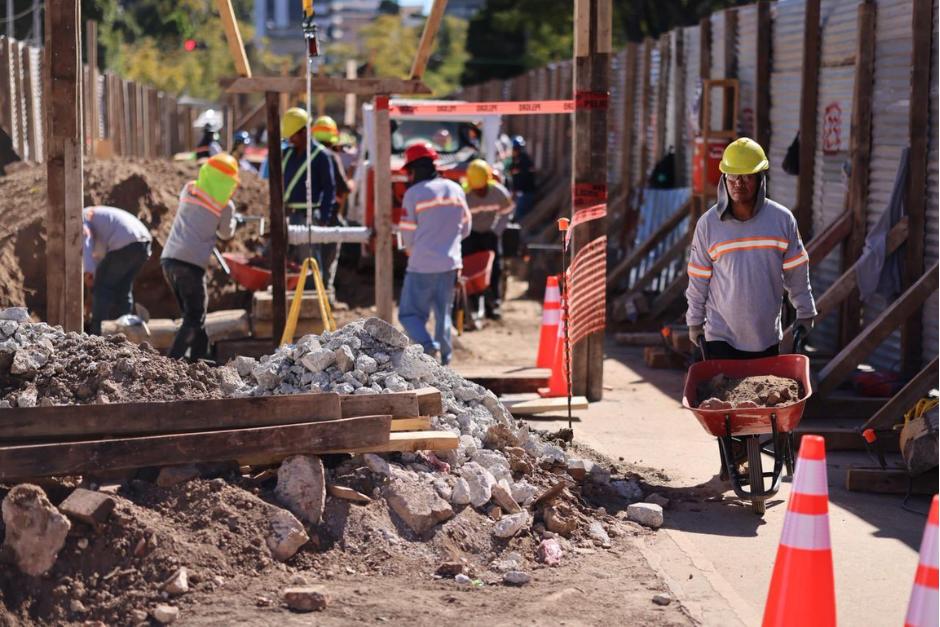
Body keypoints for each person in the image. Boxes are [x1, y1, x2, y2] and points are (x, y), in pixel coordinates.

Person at [685, 138, 816, 359]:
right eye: (733, 176)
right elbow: (698, 279)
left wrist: (805, 311)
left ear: (760, 179)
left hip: (766, 336)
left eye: (746, 176)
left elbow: (797, 272)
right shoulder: (709, 225)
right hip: (720, 335)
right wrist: (694, 321)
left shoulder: (782, 221)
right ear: (724, 179)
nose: (739, 182)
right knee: (723, 393)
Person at [398, 141, 471, 365]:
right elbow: (466, 227)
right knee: (443, 316)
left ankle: (428, 348)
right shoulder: (456, 189)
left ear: (414, 169)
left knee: (409, 315)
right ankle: (445, 363)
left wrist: (411, 251)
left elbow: (407, 234)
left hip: (421, 264)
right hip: (450, 264)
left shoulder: (413, 194)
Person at [161, 153, 240, 361]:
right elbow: (226, 233)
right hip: (191, 264)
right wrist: (233, 220)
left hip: (169, 259)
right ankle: (171, 362)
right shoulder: (226, 206)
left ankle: (200, 361)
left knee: (194, 315)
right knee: (195, 317)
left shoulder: (190, 188)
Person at [280, 108, 336, 271]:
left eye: (293, 135)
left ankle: (313, 292)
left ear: (304, 132)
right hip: (287, 215)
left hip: (308, 217)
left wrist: (324, 218)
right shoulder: (287, 154)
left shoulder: (321, 156)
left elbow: (329, 189)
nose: (290, 140)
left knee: (309, 259)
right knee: (282, 258)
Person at [82, 206, 152, 335]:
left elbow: (86, 240)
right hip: (143, 244)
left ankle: (96, 333)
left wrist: (89, 272)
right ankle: (125, 331)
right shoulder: (101, 219)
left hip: (124, 242)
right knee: (123, 289)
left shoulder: (80, 217)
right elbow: (100, 258)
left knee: (102, 287)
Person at [461, 159, 514, 320]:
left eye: (482, 188)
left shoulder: (499, 193)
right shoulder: (465, 195)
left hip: (490, 234)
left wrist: (496, 230)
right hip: (471, 235)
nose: (479, 192)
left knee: (494, 268)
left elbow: (507, 212)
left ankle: (494, 304)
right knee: (469, 270)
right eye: (476, 189)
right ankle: (471, 302)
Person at [509, 136, 536, 221]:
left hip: (526, 192)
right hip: (520, 192)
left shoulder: (525, 160)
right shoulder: (514, 160)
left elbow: (524, 176)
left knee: (522, 215)